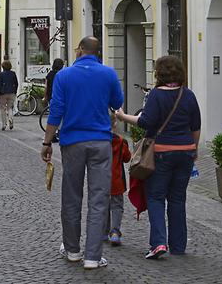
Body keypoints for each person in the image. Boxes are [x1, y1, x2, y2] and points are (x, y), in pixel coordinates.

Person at [41, 37, 124, 270]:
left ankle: (72, 250)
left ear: (79, 51)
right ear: (98, 52)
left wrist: (47, 142)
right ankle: (93, 257)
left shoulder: (64, 76)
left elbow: (56, 111)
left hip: (73, 143)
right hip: (100, 142)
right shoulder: (108, 74)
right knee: (99, 199)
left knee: (71, 196)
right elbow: (117, 102)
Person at [116, 55, 201, 260]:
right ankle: (178, 245)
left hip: (161, 152)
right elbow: (196, 126)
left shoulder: (156, 95)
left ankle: (158, 243)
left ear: (159, 73)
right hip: (185, 151)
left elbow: (146, 121)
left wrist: (122, 116)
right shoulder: (188, 95)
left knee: (155, 197)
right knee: (178, 199)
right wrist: (194, 149)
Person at [105, 114, 131, 246]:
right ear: (115, 124)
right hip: (117, 179)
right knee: (117, 206)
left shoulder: (100, 141)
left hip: (101, 179)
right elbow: (127, 158)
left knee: (102, 205)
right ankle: (115, 232)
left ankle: (103, 232)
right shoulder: (121, 142)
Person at [0, 60, 19, 130]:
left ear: (3, 66)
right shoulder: (13, 73)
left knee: (3, 108)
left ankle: (4, 124)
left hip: (3, 93)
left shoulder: (1, 74)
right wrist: (15, 91)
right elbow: (16, 83)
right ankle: (10, 120)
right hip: (11, 93)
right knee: (10, 108)